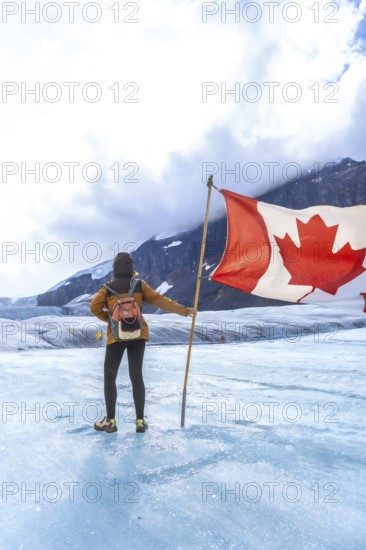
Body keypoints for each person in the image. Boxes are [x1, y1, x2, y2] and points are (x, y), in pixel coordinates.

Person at [90, 252, 197, 434]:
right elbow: (161, 301)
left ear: (115, 268)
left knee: (110, 377)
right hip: (138, 335)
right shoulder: (139, 285)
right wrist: (185, 311)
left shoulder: (107, 288)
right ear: (131, 267)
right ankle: (140, 421)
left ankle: (110, 421)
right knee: (136, 376)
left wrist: (111, 320)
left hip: (116, 337)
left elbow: (94, 308)